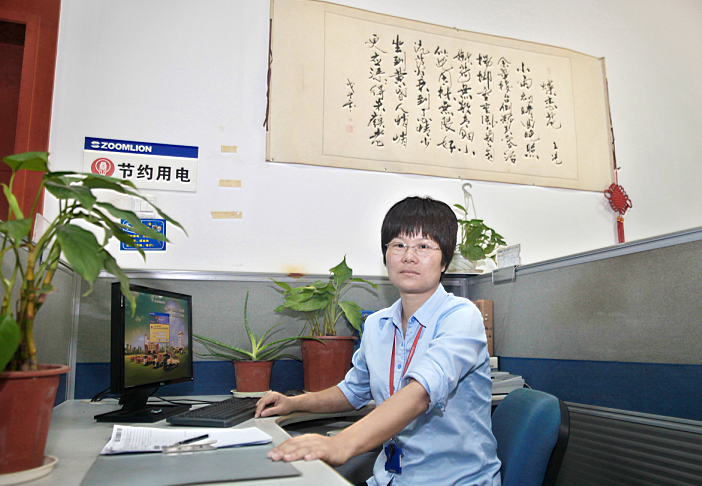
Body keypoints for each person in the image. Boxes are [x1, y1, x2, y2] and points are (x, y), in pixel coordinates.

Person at [255, 196, 501, 486]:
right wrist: (293, 403)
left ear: (444, 260)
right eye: (398, 245)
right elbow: (352, 391)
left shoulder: (461, 316)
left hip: (454, 481)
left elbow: (420, 394)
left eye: (423, 246)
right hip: (388, 479)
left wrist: (340, 444)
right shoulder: (377, 325)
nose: (409, 256)